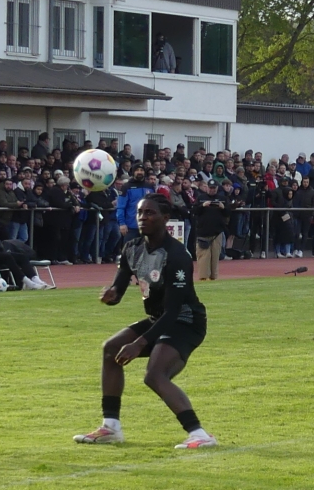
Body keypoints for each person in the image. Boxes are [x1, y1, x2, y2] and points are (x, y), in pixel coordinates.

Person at [74, 193, 216, 450]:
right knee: (110, 349)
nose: (142, 218)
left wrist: (139, 344)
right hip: (159, 318)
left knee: (155, 375)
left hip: (186, 321)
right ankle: (111, 427)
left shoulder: (177, 256)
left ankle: (200, 434)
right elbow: (119, 289)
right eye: (140, 213)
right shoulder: (131, 248)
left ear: (165, 218)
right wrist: (111, 296)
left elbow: (173, 312)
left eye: (149, 213)